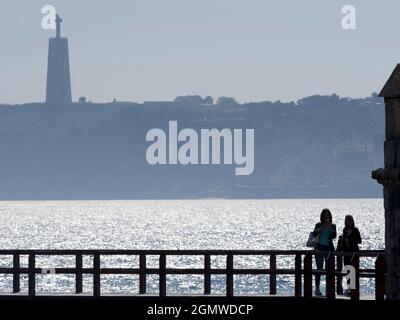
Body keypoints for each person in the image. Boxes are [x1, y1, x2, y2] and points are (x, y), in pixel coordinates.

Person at [312, 208, 337, 296]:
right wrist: (322, 227)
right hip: (319, 249)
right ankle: (317, 288)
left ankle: (329, 288)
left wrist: (329, 227)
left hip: (329, 249)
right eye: (325, 215)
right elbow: (314, 234)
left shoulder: (333, 225)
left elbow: (334, 236)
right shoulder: (318, 225)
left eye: (328, 215)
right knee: (319, 268)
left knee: (329, 269)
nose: (326, 217)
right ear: (322, 216)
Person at [339, 215, 362, 295]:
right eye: (347, 220)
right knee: (348, 270)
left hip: (354, 253)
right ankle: (349, 288)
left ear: (352, 221)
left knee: (354, 271)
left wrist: (350, 240)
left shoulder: (355, 230)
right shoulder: (344, 230)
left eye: (350, 220)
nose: (348, 222)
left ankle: (354, 289)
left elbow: (359, 241)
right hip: (346, 253)